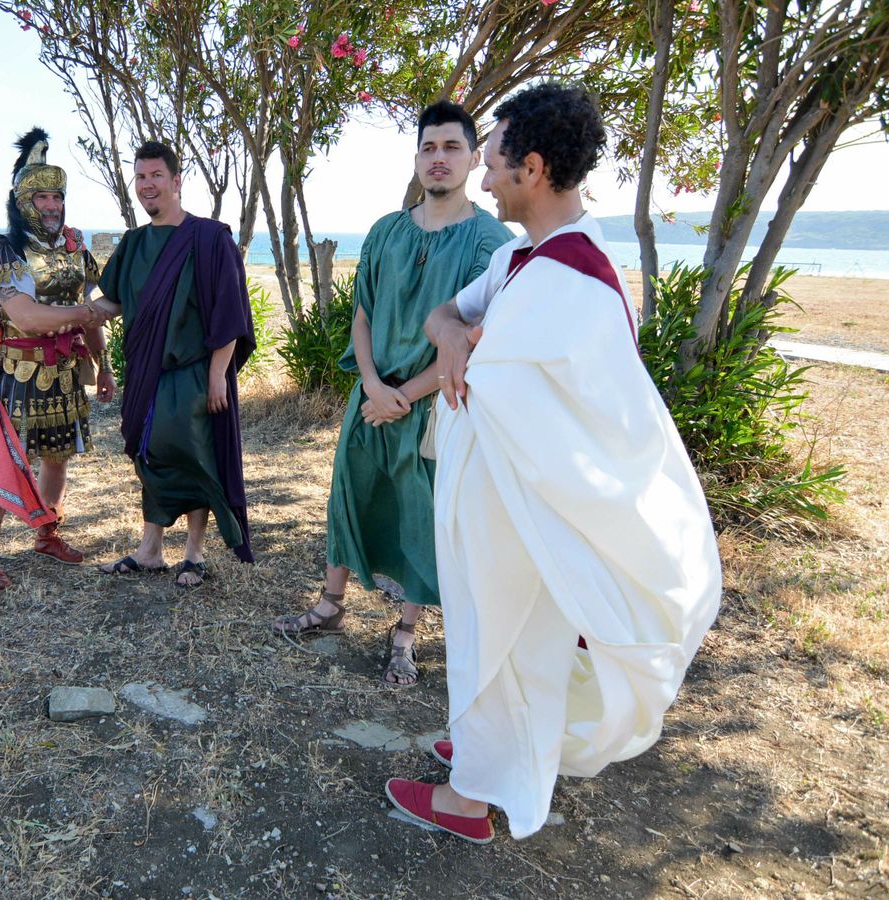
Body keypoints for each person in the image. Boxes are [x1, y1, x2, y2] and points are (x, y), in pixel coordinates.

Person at [384, 83, 722, 842]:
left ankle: (470, 801)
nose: (486, 177)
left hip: (530, 507)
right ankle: (496, 755)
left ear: (531, 168)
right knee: (499, 641)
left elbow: (574, 412)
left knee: (504, 641)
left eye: (495, 162)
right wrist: (448, 340)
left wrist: (465, 357)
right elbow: (451, 318)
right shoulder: (517, 259)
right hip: (495, 500)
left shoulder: (574, 282)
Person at [271, 101, 510, 685]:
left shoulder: (491, 241)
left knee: (421, 514)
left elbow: (476, 338)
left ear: (474, 157)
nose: (439, 159)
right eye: (429, 148)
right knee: (349, 494)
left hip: (436, 406)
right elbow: (363, 312)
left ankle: (405, 633)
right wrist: (374, 384)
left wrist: (404, 395)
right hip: (371, 395)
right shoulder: (386, 231)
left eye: (452, 148)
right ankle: (330, 605)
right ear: (416, 158)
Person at [91, 141, 256, 586]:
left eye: (156, 176)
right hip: (145, 372)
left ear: (177, 181)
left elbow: (231, 314)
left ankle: (195, 552)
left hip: (193, 374)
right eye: (141, 177)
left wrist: (219, 375)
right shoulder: (134, 243)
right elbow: (112, 302)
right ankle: (149, 550)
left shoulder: (208, 239)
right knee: (150, 454)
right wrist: (57, 314)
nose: (148, 185)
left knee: (194, 457)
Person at [0, 127, 112, 590]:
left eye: (57, 196)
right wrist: (93, 309)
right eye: (42, 197)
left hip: (65, 370)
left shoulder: (74, 247)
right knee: (10, 459)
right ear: (22, 201)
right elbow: (26, 318)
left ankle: (47, 532)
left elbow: (90, 316)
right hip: (18, 370)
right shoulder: (3, 248)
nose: (52, 205)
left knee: (57, 456)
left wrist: (103, 365)